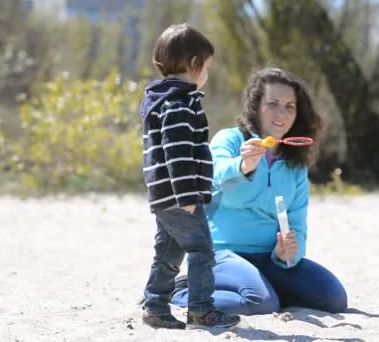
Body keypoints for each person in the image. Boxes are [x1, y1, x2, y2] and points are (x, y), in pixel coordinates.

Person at [171, 67, 348, 315]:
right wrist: (242, 166)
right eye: (272, 104)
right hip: (222, 253)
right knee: (261, 302)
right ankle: (182, 291)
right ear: (255, 106)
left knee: (333, 299)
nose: (281, 114)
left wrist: (287, 254)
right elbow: (212, 177)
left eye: (289, 106)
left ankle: (263, 289)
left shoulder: (295, 164)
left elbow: (297, 225)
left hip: (269, 260)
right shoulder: (230, 140)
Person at [139, 23, 240, 329]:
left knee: (168, 254)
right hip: (179, 196)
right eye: (206, 67)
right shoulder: (179, 104)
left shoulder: (163, 99)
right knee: (201, 250)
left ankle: (155, 307)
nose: (207, 74)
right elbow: (178, 154)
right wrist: (187, 196)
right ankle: (200, 308)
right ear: (194, 65)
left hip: (163, 196)